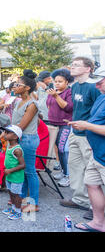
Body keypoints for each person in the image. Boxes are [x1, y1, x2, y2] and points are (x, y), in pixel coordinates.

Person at [60, 57, 101, 212]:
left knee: (92, 171)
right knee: (75, 167)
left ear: (88, 69)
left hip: (89, 136)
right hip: (74, 132)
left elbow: (99, 113)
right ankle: (80, 199)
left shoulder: (94, 87)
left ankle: (95, 206)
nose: (72, 67)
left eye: (77, 65)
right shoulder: (75, 86)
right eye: (72, 65)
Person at [69, 66, 105, 232]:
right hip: (97, 152)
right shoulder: (101, 97)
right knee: (91, 183)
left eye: (100, 82)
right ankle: (98, 222)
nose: (96, 86)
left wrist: (86, 126)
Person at [12, 69, 40, 213]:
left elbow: (21, 126)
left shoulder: (32, 104)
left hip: (28, 139)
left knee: (30, 172)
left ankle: (34, 203)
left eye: (18, 84)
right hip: (21, 138)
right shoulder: (19, 101)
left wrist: (7, 133)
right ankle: (22, 198)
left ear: (27, 88)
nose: (14, 86)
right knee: (24, 171)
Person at [46, 68, 74, 187]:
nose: (57, 83)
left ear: (67, 82)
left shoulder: (69, 92)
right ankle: (63, 172)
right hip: (53, 124)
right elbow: (48, 105)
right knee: (58, 148)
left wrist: (56, 96)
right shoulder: (53, 91)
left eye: (60, 81)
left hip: (65, 124)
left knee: (62, 149)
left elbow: (68, 107)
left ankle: (68, 176)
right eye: (55, 81)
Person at [0, 125, 26, 220]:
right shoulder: (8, 145)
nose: (5, 134)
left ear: (15, 136)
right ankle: (13, 208)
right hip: (9, 175)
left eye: (8, 132)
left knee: (16, 195)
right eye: (5, 132)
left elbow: (23, 165)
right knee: (11, 193)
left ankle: (18, 211)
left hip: (16, 177)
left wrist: (10, 170)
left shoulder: (17, 150)